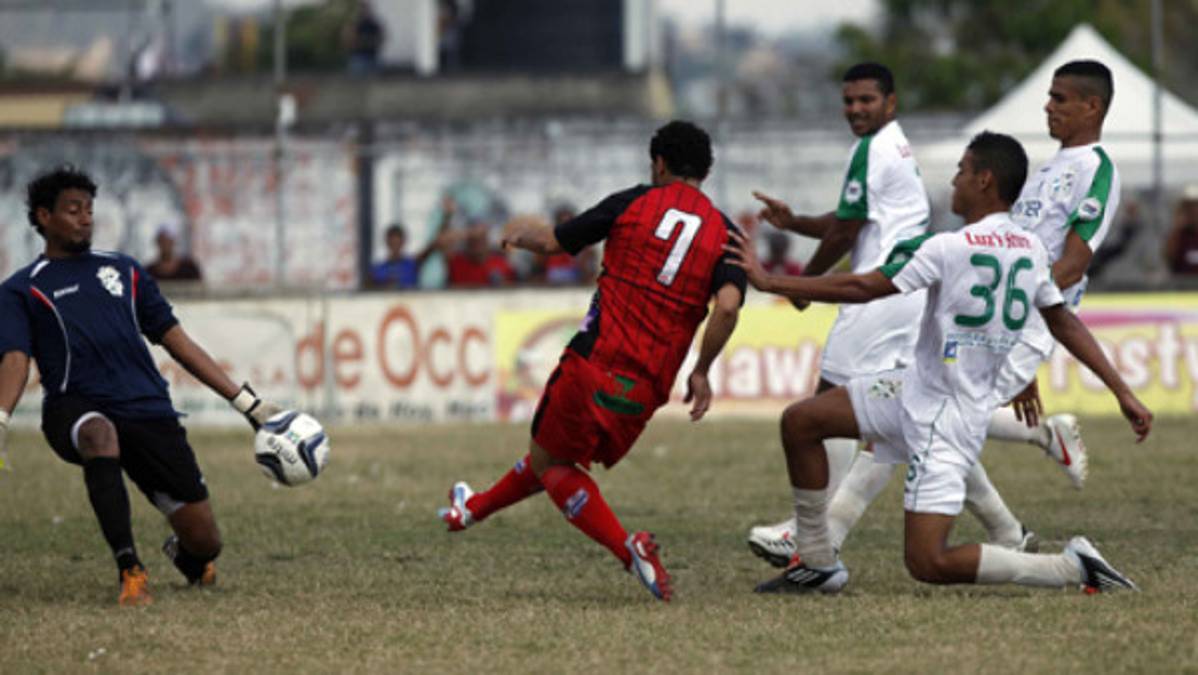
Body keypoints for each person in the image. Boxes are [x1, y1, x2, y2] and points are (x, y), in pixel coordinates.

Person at [726, 131, 1152, 595]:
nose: (953, 181)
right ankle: (816, 560)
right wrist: (1122, 392)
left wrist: (771, 283)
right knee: (801, 422)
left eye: (962, 171)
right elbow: (1063, 324)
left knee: (928, 562)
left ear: (985, 180)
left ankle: (1069, 567)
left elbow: (862, 288)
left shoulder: (950, 246)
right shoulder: (1030, 251)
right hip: (912, 389)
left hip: (946, 420)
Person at [436, 121, 747, 602]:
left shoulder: (633, 202)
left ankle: (630, 551)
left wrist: (519, 234)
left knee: (553, 465)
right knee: (554, 457)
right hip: (646, 387)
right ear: (706, 170)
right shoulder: (727, 232)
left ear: (658, 163)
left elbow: (554, 243)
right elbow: (727, 305)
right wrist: (702, 369)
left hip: (593, 363)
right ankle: (470, 510)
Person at [747, 63, 1042, 566]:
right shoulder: (897, 146)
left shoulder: (871, 149)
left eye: (866, 100)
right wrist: (795, 222)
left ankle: (808, 535)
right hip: (905, 292)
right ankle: (1007, 524)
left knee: (823, 409)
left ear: (891, 102)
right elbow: (853, 223)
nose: (856, 109)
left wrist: (803, 286)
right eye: (849, 101)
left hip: (880, 294)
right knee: (915, 416)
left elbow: (845, 234)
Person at [0, 166, 282, 606]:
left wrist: (247, 403)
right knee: (100, 435)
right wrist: (1, 416)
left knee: (206, 542)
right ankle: (130, 569)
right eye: (73, 210)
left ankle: (187, 557)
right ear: (44, 217)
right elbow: (15, 357)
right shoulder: (22, 288)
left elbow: (178, 342)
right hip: (76, 407)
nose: (85, 218)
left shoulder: (125, 270)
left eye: (89, 210)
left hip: (149, 410)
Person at [368, 198, 454, 290]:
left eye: (398, 243)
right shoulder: (378, 269)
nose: (395, 247)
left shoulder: (411, 264)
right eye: (392, 243)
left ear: (403, 242)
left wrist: (446, 216)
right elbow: (367, 291)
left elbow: (436, 243)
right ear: (386, 242)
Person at [445, 223, 516, 287]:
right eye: (473, 241)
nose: (477, 246)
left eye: (481, 241)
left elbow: (511, 287)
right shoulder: (456, 263)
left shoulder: (501, 263)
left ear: (487, 241)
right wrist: (466, 233)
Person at [344, 0, 385, 75]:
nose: (365, 11)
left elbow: (381, 37)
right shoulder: (354, 23)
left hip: (372, 57)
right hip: (358, 57)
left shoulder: (374, 24)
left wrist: (369, 41)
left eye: (366, 8)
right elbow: (349, 39)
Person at [1164, 184, 1198, 275]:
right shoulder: (1180, 235)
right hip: (1182, 286)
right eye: (1189, 206)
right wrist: (1177, 227)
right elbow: (1169, 259)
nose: (1194, 210)